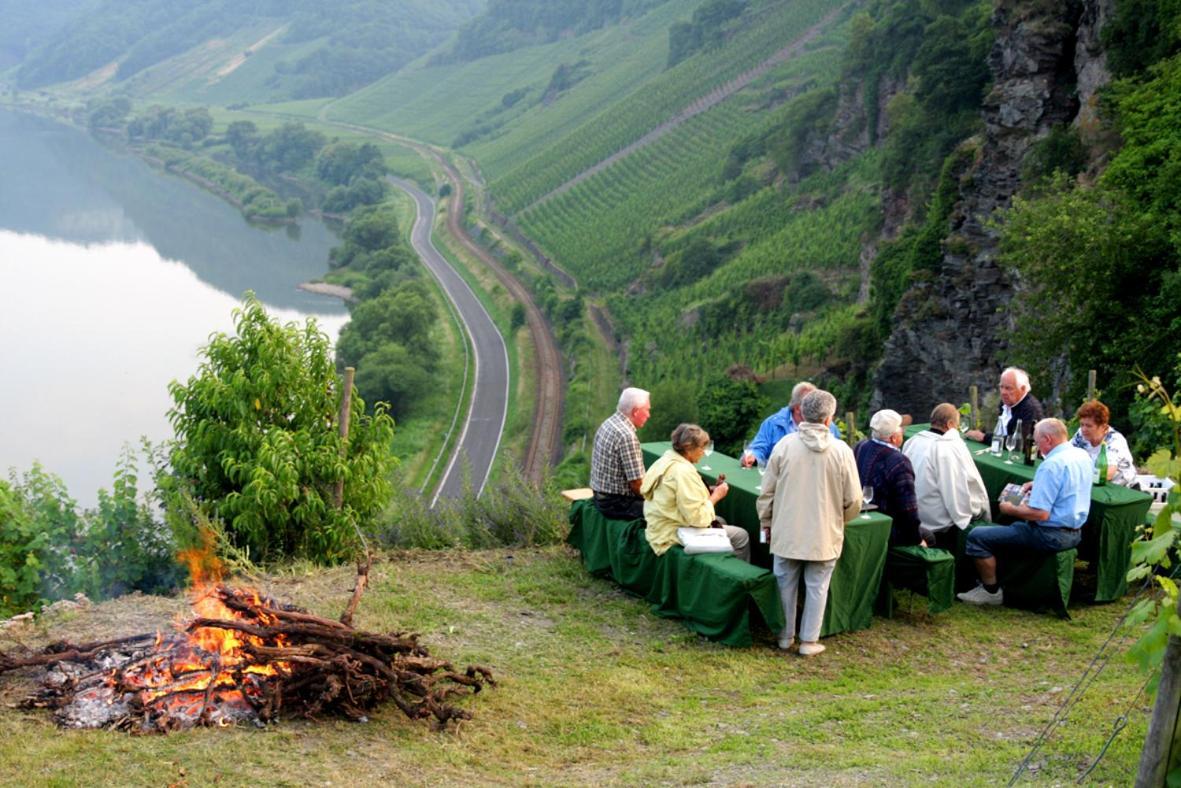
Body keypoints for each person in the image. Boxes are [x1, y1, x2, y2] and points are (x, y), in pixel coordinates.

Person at [757, 389, 861, 656]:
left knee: (784, 582)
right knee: (818, 586)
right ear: (830, 419)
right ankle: (809, 641)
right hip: (825, 530)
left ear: (802, 413)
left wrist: (766, 521)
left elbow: (767, 491)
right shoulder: (842, 451)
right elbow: (854, 499)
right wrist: (840, 520)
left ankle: (784, 635)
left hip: (788, 527)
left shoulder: (784, 446)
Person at [957, 418, 1092, 605]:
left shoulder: (1051, 465)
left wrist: (1010, 509)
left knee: (977, 536)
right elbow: (1069, 485)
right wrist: (1037, 484)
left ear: (1048, 440)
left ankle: (991, 591)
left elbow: (1040, 514)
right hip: (1075, 533)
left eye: (1037, 442)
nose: (1036, 447)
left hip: (1048, 535)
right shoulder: (1081, 455)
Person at [640, 424, 751, 562]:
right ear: (688, 448)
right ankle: (735, 576)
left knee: (720, 521)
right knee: (741, 536)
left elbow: (678, 493)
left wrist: (707, 490)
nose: (703, 452)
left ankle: (718, 560)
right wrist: (716, 496)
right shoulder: (682, 471)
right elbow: (697, 519)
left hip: (659, 524)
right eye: (701, 447)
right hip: (670, 533)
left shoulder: (665, 460)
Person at [903, 403, 992, 548]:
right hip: (935, 523)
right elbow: (955, 490)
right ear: (950, 424)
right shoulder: (948, 448)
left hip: (913, 514)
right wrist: (977, 509)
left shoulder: (913, 441)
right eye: (956, 425)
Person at [853, 409, 922, 546]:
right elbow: (908, 509)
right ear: (894, 438)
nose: (903, 431)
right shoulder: (899, 461)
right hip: (888, 528)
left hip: (859, 520)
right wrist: (918, 539)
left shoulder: (860, 446)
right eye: (901, 429)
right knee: (930, 537)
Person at [740, 381, 839, 468]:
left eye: (814, 404)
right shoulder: (773, 423)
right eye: (809, 404)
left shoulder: (829, 426)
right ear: (797, 408)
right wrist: (753, 457)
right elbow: (758, 448)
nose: (814, 408)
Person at [590, 387, 650, 520]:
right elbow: (637, 485)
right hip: (615, 504)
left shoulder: (608, 423)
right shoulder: (627, 436)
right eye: (647, 410)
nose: (648, 415)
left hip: (599, 496)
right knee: (667, 512)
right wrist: (657, 501)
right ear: (635, 411)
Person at [966, 367, 1043, 444]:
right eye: (1001, 387)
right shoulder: (1006, 402)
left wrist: (984, 437)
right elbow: (1002, 433)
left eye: (1008, 388)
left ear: (1022, 389)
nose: (1003, 392)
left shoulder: (1030, 408)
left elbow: (1019, 442)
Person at [1071, 400, 1138, 487]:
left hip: (1124, 491)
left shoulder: (1115, 440)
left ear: (1103, 426)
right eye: (1082, 424)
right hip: (1097, 488)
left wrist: (1080, 479)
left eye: (1088, 426)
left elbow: (1108, 473)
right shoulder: (1081, 435)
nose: (1084, 429)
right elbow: (1066, 454)